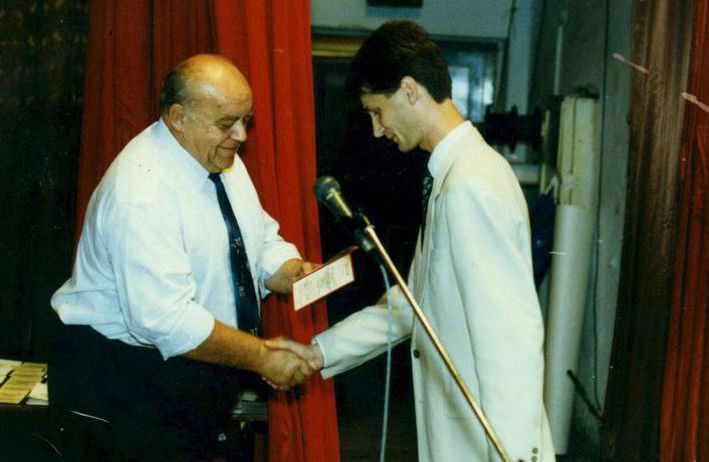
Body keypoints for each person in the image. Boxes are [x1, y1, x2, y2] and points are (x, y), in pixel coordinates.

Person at [269, 20, 555, 461]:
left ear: (409, 90)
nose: (377, 129)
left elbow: (509, 337)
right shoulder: (451, 176)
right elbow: (413, 305)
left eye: (377, 112)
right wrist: (318, 353)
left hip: (489, 447)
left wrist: (516, 455)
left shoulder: (470, 183)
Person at [50, 54, 317, 461]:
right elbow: (166, 320)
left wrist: (291, 272)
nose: (241, 135)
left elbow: (256, 239)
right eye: (226, 123)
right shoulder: (140, 192)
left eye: (245, 120)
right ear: (178, 117)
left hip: (186, 371)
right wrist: (262, 356)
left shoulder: (217, 155)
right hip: (125, 382)